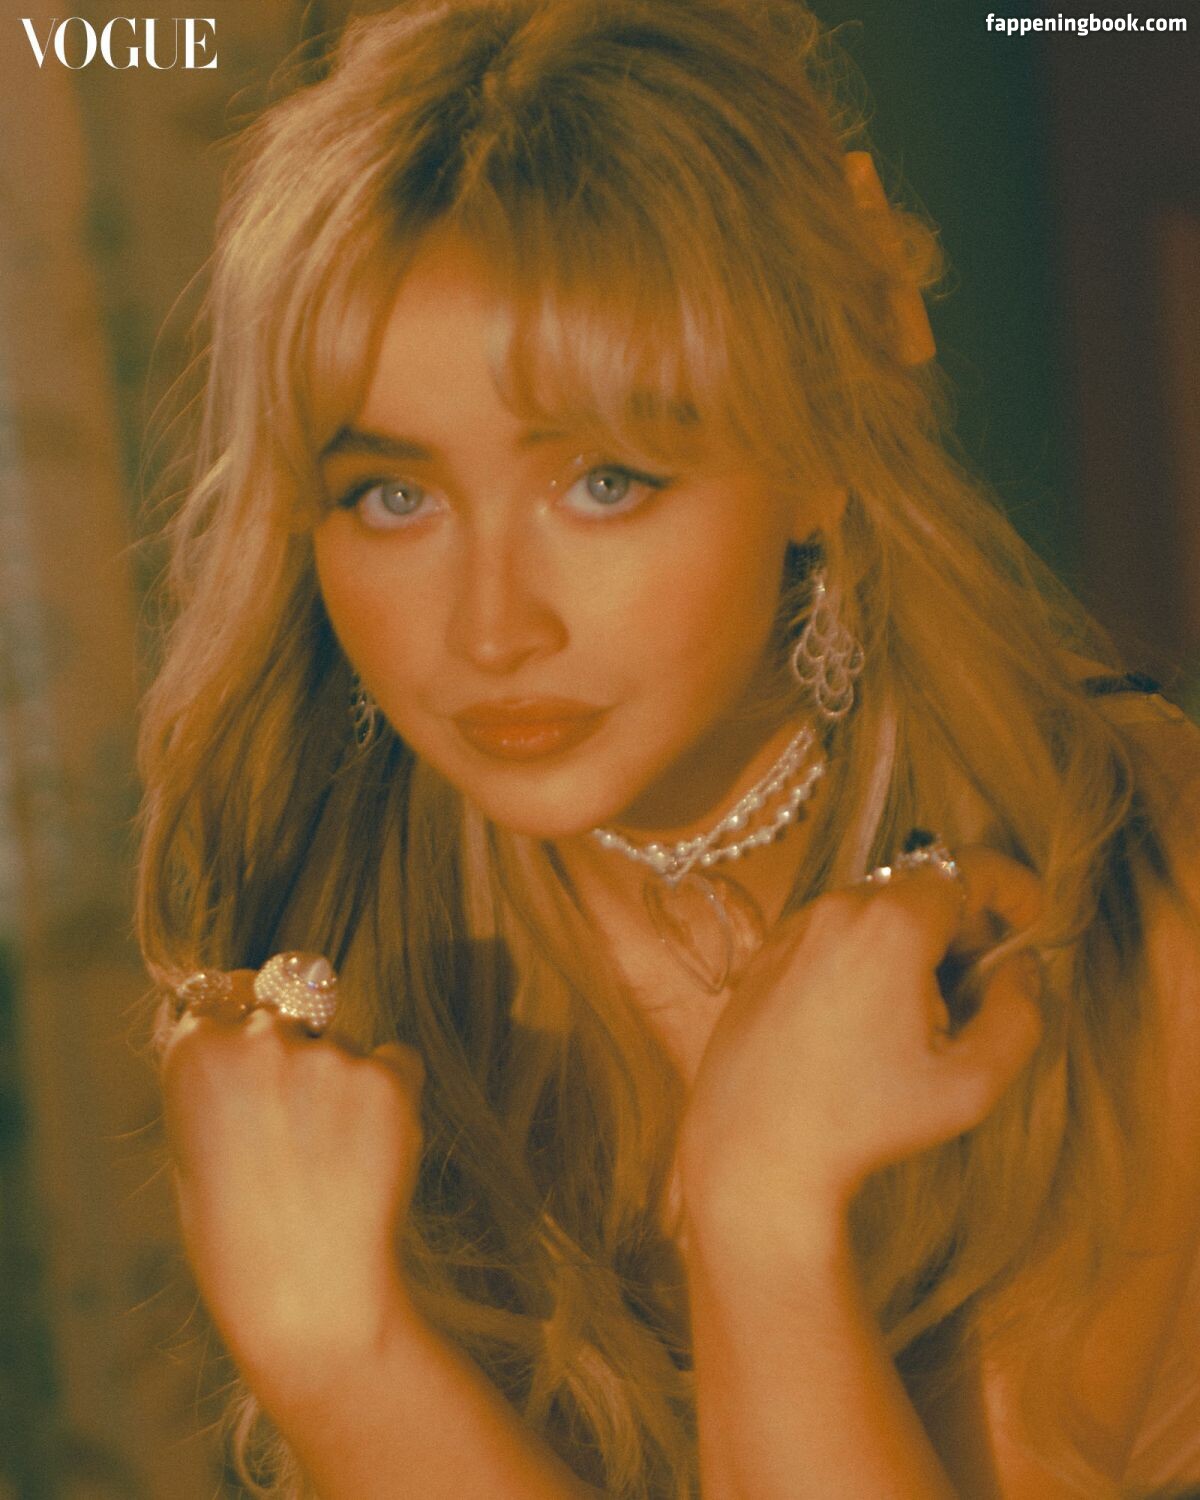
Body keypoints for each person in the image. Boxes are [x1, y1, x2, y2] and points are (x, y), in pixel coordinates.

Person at [138, 1, 1200, 1495]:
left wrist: (760, 1213)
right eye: (394, 497)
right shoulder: (329, 963)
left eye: (604, 481)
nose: (490, 629)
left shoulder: (1130, 903)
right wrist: (336, 1349)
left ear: (817, 459)